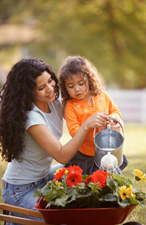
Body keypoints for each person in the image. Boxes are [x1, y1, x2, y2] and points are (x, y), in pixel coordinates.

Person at [0, 56, 110, 223]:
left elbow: (84, 106)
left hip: (45, 177)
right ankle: (17, 216)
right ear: (28, 91)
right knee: (64, 220)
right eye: (41, 87)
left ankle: (20, 218)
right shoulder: (32, 118)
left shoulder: (54, 101)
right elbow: (62, 155)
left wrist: (111, 118)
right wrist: (86, 126)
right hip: (20, 190)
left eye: (50, 81)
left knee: (82, 170)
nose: (50, 89)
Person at [59, 55, 128, 175]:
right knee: (89, 184)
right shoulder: (71, 105)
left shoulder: (102, 95)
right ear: (65, 87)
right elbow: (74, 132)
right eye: (71, 86)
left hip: (106, 150)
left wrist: (115, 120)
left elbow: (115, 111)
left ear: (90, 80)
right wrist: (88, 124)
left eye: (81, 83)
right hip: (85, 156)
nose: (77, 89)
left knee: (109, 181)